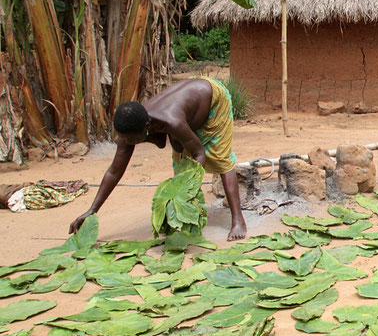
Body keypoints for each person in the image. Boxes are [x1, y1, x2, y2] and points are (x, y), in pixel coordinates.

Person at [69, 77, 247, 240]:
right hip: (185, 108)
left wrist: (189, 189)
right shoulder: (129, 130)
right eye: (125, 138)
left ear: (147, 127)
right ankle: (182, 217)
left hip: (212, 100)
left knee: (219, 157)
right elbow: (114, 172)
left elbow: (199, 153)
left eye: (132, 139)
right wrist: (92, 210)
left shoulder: (172, 122)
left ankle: (238, 219)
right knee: (180, 158)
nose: (128, 143)